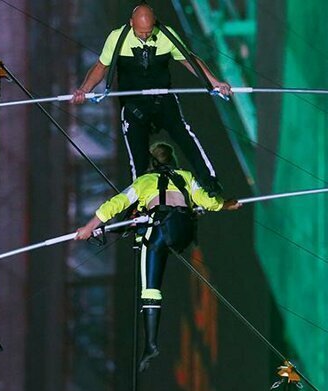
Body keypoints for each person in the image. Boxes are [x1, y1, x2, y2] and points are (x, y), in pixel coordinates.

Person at [75, 142, 241, 371]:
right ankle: (141, 230)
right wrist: (226, 205)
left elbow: (115, 204)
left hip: (160, 230)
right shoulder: (186, 177)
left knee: (150, 288)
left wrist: (88, 227)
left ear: (152, 162)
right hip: (182, 233)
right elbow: (209, 203)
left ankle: (151, 344)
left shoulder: (145, 181)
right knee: (142, 226)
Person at [72, 3, 231, 196]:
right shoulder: (117, 38)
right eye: (140, 32)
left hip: (163, 100)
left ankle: (210, 183)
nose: (145, 36)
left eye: (148, 32)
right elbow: (100, 67)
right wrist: (84, 90)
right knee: (138, 159)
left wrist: (214, 82)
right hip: (134, 105)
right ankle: (138, 201)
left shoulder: (167, 34)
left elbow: (189, 60)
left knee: (185, 137)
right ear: (131, 24)